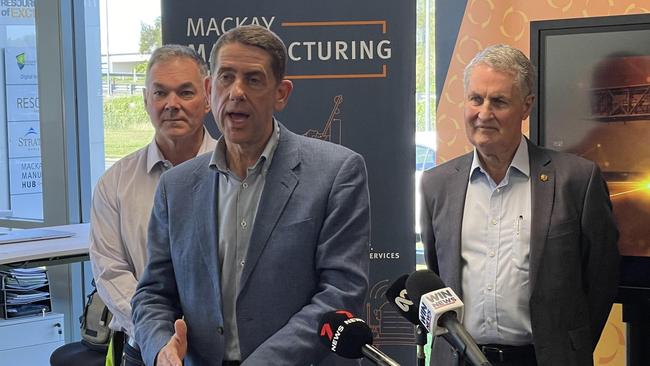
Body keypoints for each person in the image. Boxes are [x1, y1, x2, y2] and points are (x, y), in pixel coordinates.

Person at [131, 25, 370, 366]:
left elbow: (340, 293)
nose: (237, 92)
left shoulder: (337, 173)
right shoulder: (177, 186)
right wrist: (160, 349)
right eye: (226, 78)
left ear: (281, 93)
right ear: (210, 90)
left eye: (253, 80)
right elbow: (153, 293)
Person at [419, 44, 619, 366]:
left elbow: (601, 278)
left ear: (526, 107)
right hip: (459, 359)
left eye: (498, 101)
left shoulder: (576, 180)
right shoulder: (436, 184)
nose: (484, 114)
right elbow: (437, 271)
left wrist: (569, 347)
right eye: (475, 99)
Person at [89, 44, 217, 366]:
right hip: (142, 347)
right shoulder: (114, 184)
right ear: (146, 100)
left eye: (185, 92)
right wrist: (159, 336)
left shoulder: (239, 175)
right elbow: (110, 272)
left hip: (220, 349)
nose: (171, 104)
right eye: (160, 93)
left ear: (207, 97)